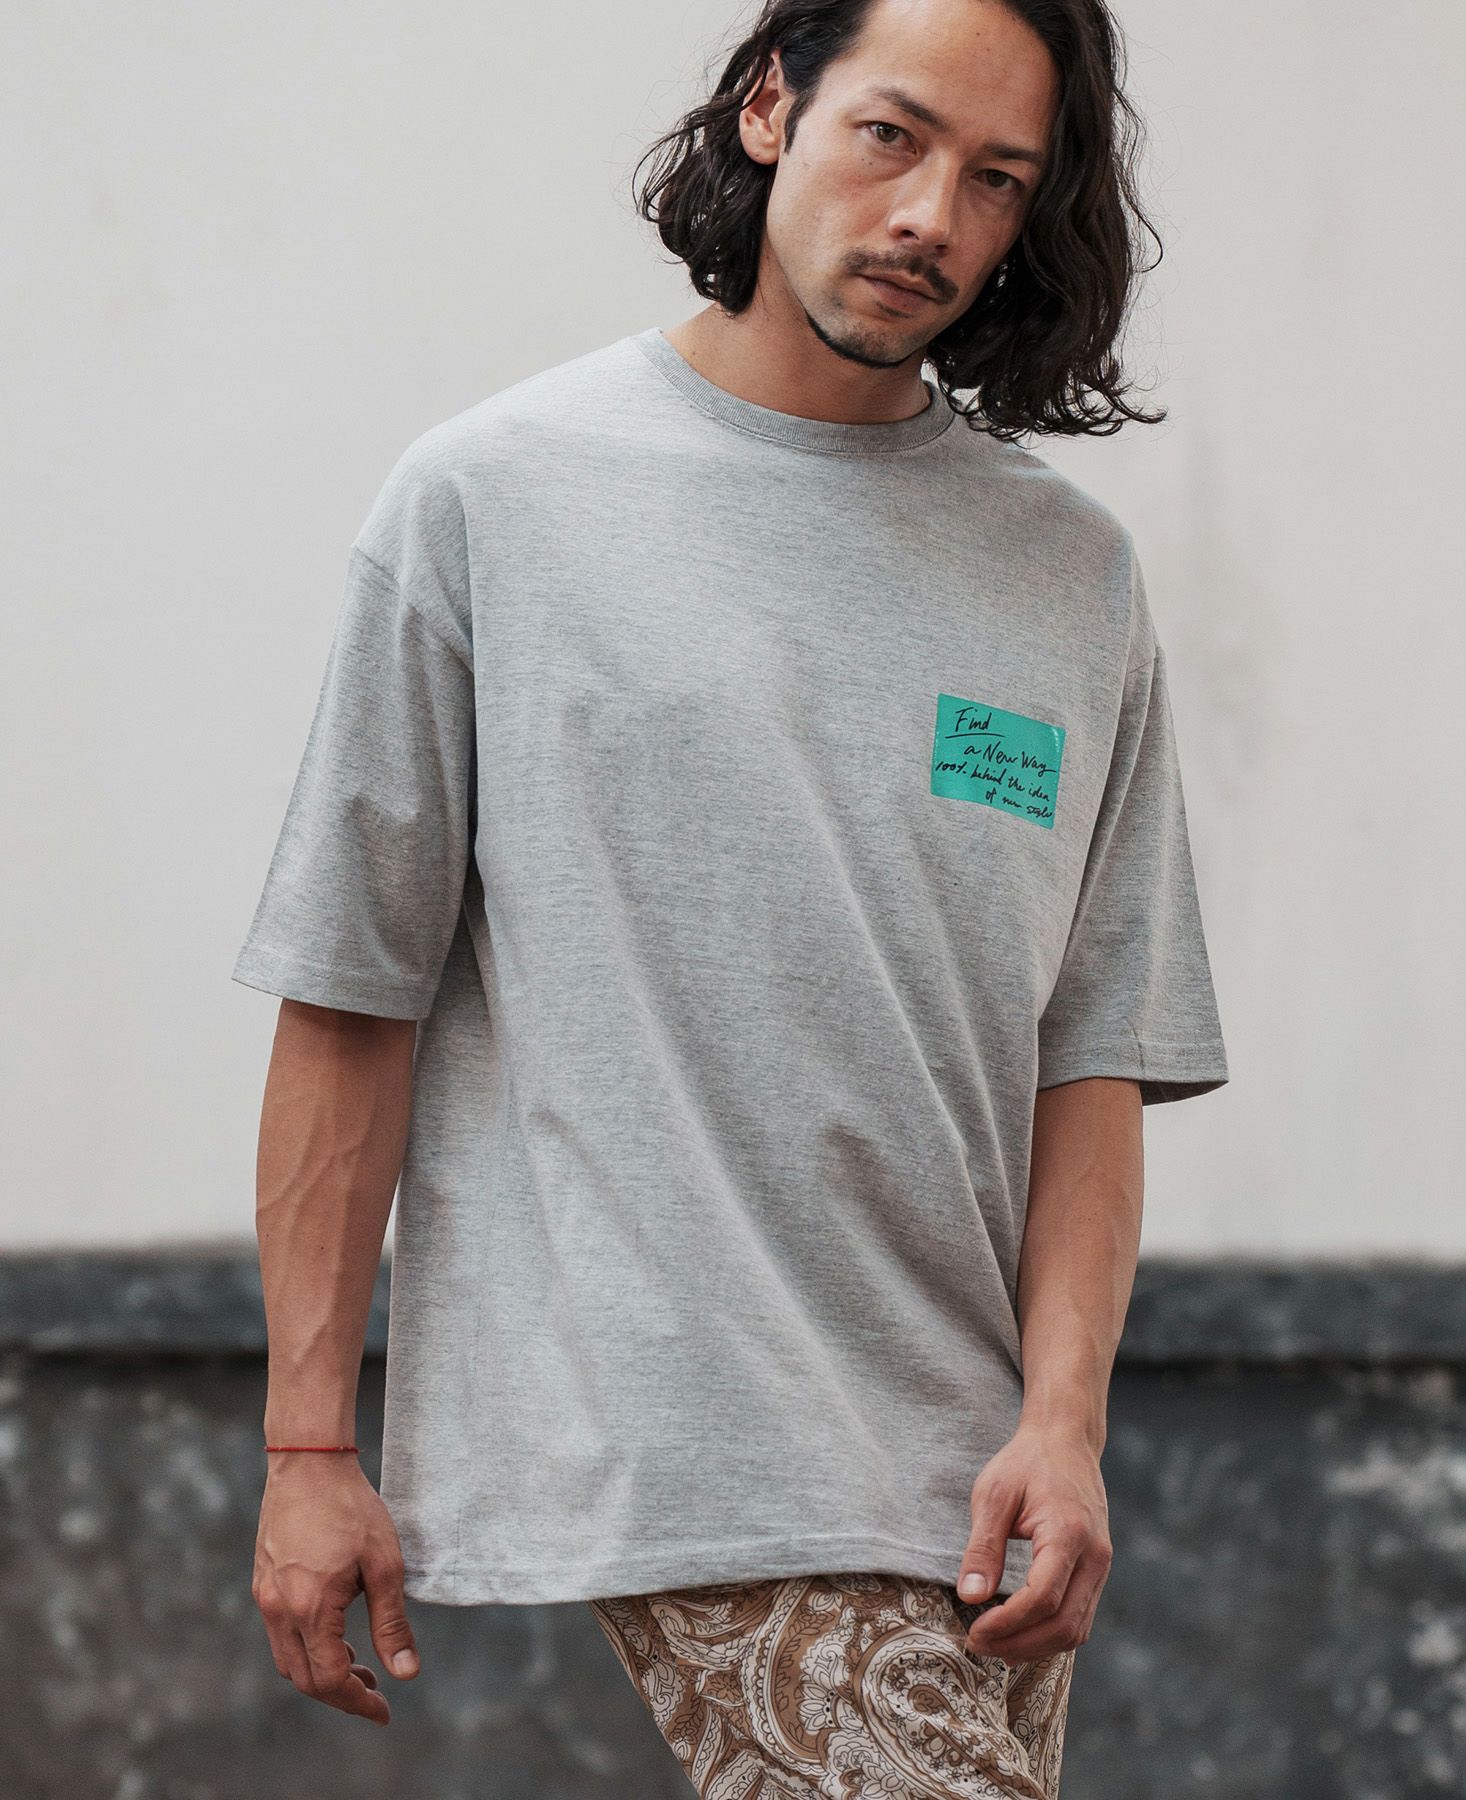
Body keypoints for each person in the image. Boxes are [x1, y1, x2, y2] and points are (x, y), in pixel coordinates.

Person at [235, 0, 1229, 1789]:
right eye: (892, 136)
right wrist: (309, 1447)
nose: (930, 215)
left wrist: (1066, 1426)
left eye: (997, 180)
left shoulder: (1067, 574)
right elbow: (348, 989)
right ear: (772, 107)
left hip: (978, 1489)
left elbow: (1091, 1053)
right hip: (702, 1439)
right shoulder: (495, 500)